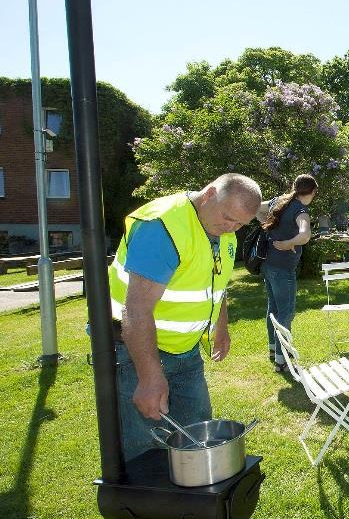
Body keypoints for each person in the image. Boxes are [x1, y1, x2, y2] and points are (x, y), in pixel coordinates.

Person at [109, 173, 262, 460]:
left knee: (195, 435)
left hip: (186, 350)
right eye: (228, 217)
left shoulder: (221, 232)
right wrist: (149, 376)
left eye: (239, 224)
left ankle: (191, 502)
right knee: (147, 449)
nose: (230, 227)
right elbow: (136, 309)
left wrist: (221, 326)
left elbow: (217, 283)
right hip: (136, 353)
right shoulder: (162, 226)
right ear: (209, 193)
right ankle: (150, 503)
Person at [256, 174, 317, 373]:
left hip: (269, 266)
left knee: (273, 309)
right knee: (286, 312)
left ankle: (274, 351)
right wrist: (288, 243)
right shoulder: (301, 210)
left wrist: (268, 229)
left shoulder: (278, 202)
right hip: (283, 269)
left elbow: (256, 207)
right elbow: (305, 235)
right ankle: (282, 361)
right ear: (312, 192)